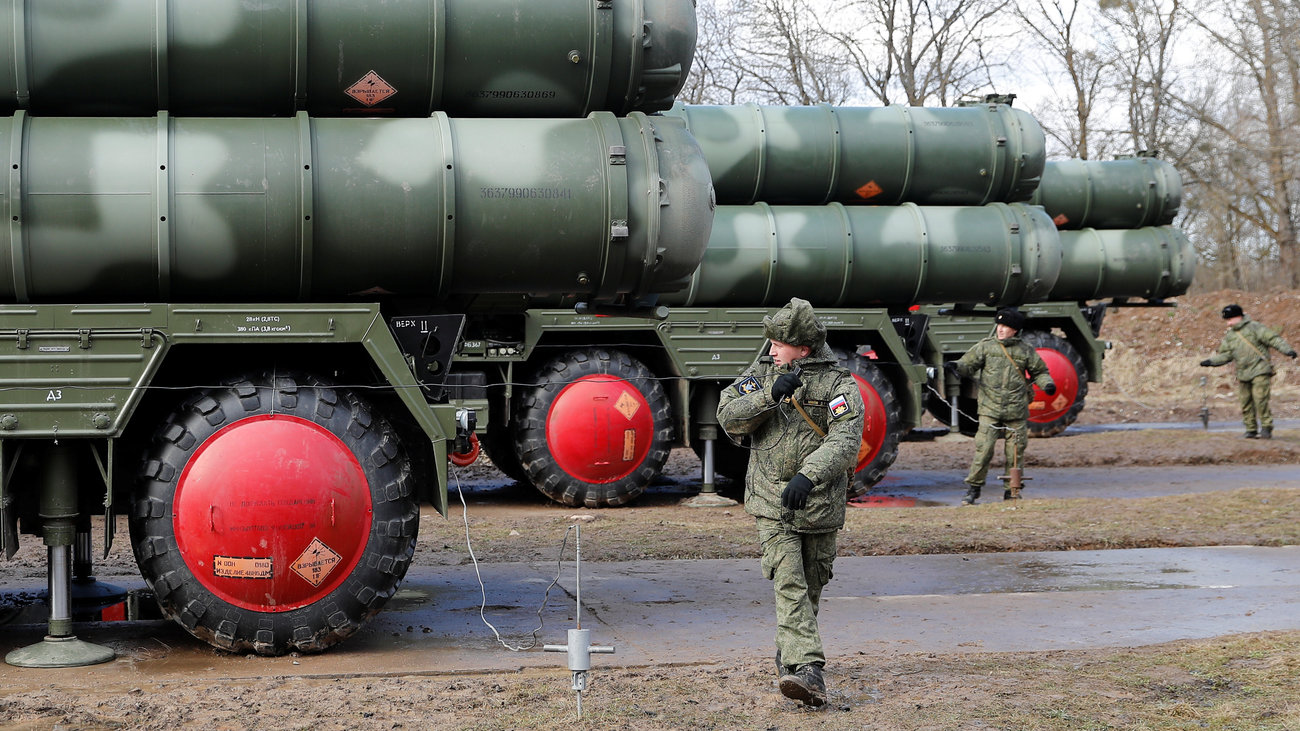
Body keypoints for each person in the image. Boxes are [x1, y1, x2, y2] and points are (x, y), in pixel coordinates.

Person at [716, 297, 864, 708]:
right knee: (789, 581)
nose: (771, 349)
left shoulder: (838, 384)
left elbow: (846, 439)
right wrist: (768, 395)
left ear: (803, 348)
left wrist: (808, 475)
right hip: (769, 500)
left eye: (779, 343)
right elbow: (727, 416)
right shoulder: (762, 372)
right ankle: (810, 670)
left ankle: (790, 657)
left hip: (819, 503)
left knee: (811, 585)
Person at [947, 307, 1055, 505]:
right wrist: (956, 366)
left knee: (1015, 453)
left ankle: (1012, 490)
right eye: (999, 325)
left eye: (1006, 326)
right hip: (990, 409)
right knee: (984, 450)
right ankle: (973, 488)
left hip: (1016, 411)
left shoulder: (1025, 351)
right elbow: (968, 363)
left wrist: (1047, 384)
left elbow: (1040, 371)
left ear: (1015, 330)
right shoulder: (986, 347)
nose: (1001, 329)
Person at [1199, 303, 1296, 439]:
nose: (1228, 323)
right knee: (1245, 402)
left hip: (1260, 370)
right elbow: (1226, 355)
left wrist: (1287, 350)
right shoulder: (1230, 336)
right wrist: (1211, 362)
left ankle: (1266, 428)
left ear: (1238, 316)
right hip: (1243, 373)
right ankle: (1251, 429)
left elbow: (1273, 339)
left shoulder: (1255, 327)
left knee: (1260, 400)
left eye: (1230, 319)